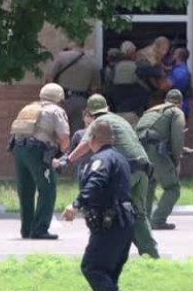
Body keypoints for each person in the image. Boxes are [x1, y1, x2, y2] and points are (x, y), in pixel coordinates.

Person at [55, 94, 160, 258]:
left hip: (126, 169)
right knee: (138, 214)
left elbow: (84, 145)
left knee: (105, 207)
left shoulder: (99, 123)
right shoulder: (120, 120)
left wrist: (66, 160)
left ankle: (105, 253)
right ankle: (151, 255)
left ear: (89, 113)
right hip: (143, 169)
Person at [61, 120, 138, 291]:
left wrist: (76, 204)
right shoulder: (120, 158)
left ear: (92, 139)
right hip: (124, 222)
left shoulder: (100, 160)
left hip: (110, 223)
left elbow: (96, 183)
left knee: (92, 267)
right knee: (107, 273)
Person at [8, 83, 70, 239]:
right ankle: (40, 229)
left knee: (25, 191)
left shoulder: (28, 108)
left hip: (18, 149)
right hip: (37, 152)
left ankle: (27, 229)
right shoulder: (56, 111)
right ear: (58, 97)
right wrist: (61, 154)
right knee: (47, 188)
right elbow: (64, 137)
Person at [136, 89, 186, 230]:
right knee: (173, 187)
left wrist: (187, 152)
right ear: (180, 103)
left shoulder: (150, 111)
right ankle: (158, 220)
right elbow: (177, 138)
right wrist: (176, 161)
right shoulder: (176, 112)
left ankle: (143, 220)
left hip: (140, 149)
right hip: (155, 151)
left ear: (166, 100)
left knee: (149, 184)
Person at [46, 39, 101, 135]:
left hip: (62, 101)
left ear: (71, 43)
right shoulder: (92, 62)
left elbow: (49, 79)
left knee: (59, 134)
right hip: (82, 102)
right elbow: (94, 88)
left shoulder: (61, 57)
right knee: (77, 134)